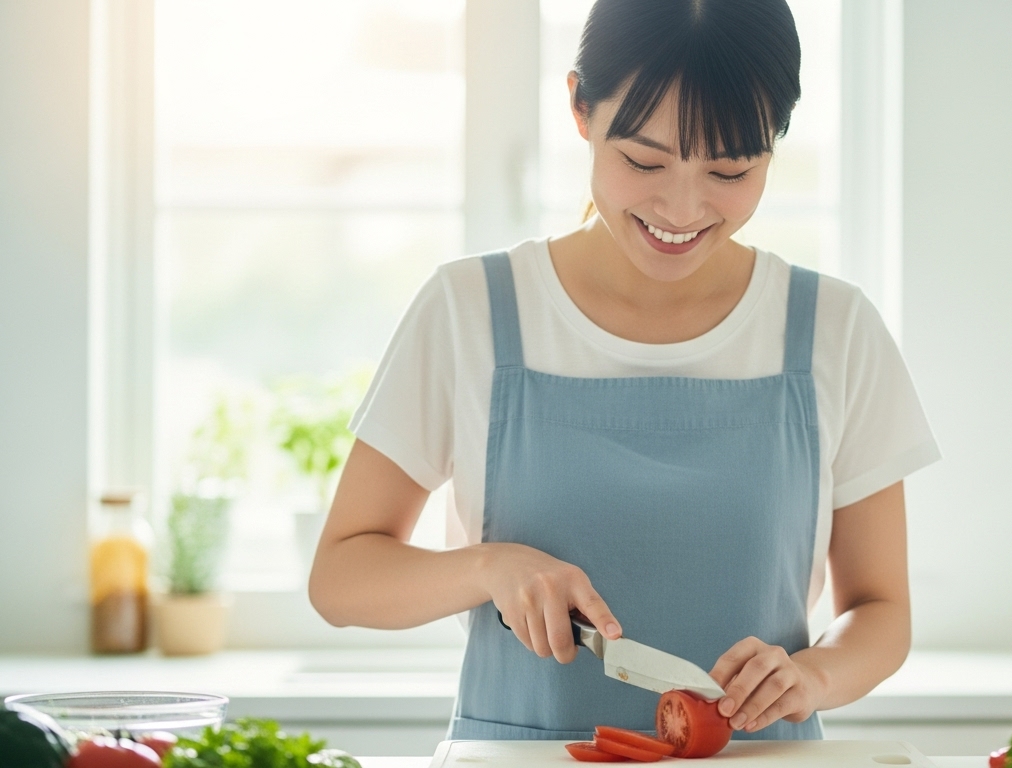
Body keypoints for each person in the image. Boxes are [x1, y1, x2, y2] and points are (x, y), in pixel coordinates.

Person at [308, 0, 939, 742]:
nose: (682, 207)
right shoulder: (469, 309)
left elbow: (881, 610)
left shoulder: (835, 330)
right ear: (580, 107)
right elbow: (341, 579)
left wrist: (815, 675)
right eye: (643, 160)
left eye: (730, 170)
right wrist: (486, 569)